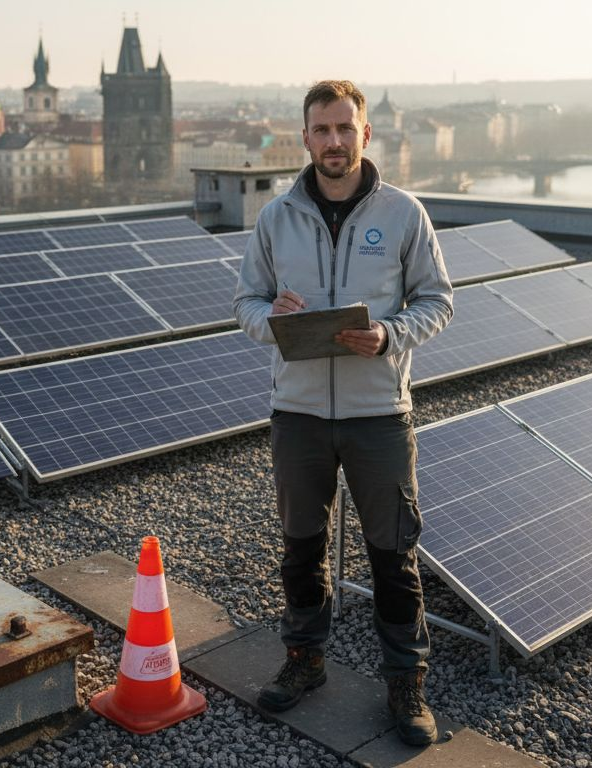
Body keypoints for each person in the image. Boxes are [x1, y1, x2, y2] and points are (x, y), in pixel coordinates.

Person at [232, 80, 453, 746]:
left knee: (393, 554)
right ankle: (305, 659)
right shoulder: (276, 218)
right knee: (301, 548)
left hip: (378, 412)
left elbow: (438, 302)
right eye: (322, 130)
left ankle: (406, 683)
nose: (334, 141)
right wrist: (272, 320)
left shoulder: (405, 213)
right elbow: (245, 304)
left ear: (365, 133)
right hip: (297, 412)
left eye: (344, 128)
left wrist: (388, 334)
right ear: (305, 137)